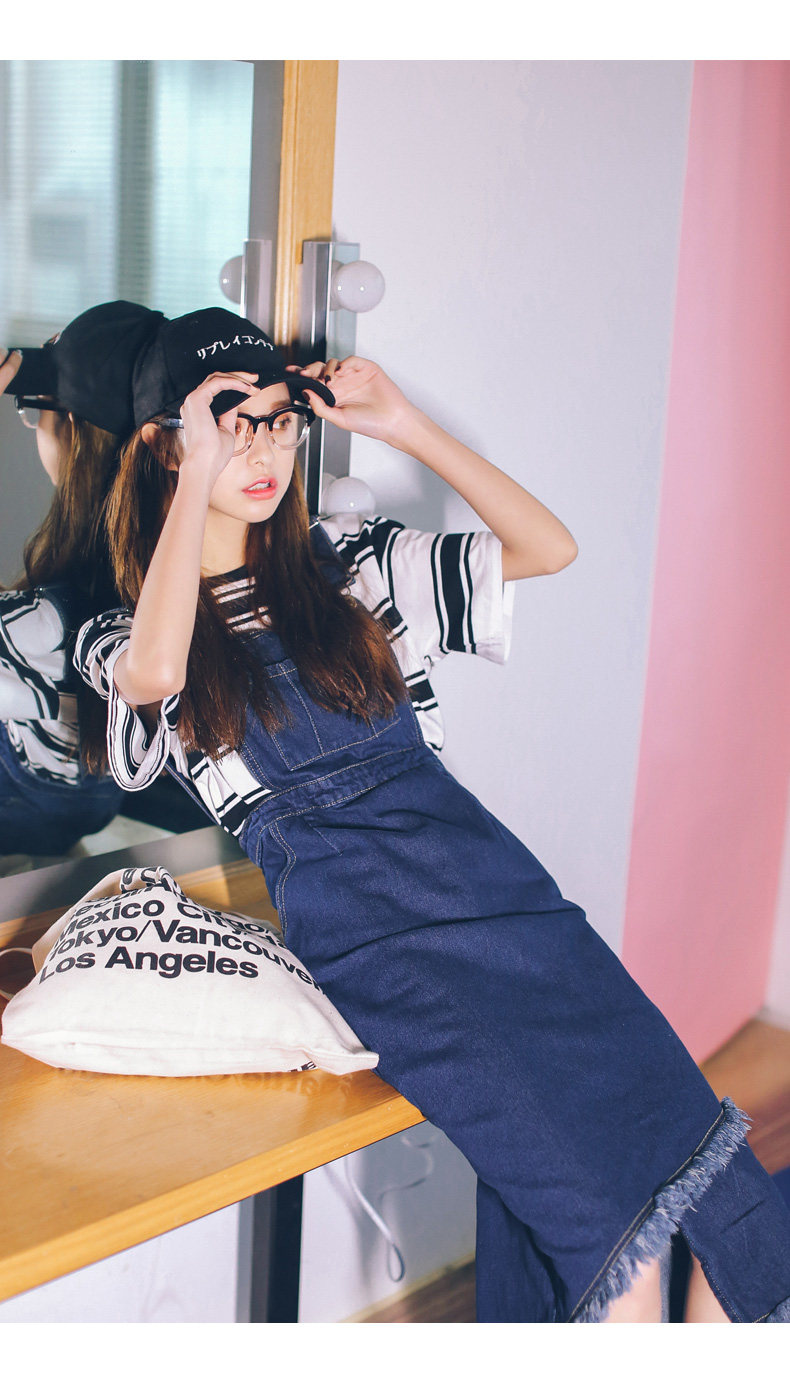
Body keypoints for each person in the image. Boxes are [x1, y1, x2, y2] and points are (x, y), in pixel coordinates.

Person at [74, 305, 790, 1323]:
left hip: (508, 899)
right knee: (609, 1245)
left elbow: (549, 547)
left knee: (720, 1187)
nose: (263, 449)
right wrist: (196, 471)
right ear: (165, 444)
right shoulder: (126, 628)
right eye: (233, 424)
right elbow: (152, 677)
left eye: (279, 422)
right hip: (386, 948)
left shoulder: (348, 568)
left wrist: (404, 423)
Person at [0, 303, 168, 861]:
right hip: (102, 794)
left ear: (68, 426)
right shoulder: (179, 566)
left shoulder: (43, 621)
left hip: (30, 810)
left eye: (37, 411)